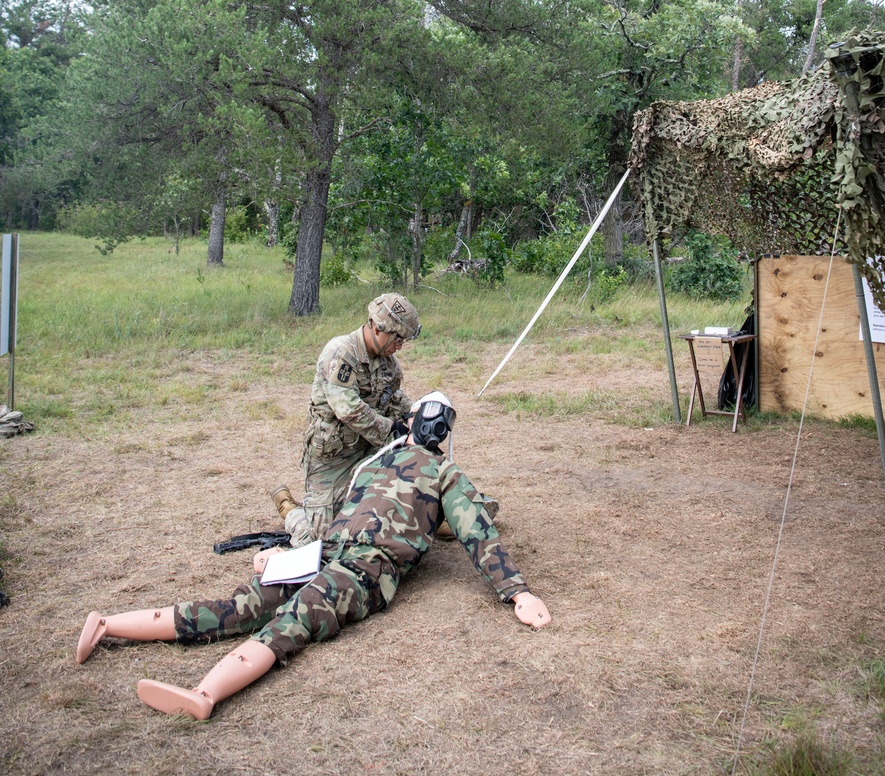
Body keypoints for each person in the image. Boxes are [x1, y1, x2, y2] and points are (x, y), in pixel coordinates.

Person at [75, 392, 551, 720]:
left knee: (295, 618)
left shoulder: (437, 474)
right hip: (330, 553)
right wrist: (290, 553)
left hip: (366, 567)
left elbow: (478, 534)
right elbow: (343, 518)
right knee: (242, 607)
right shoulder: (382, 464)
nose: (429, 425)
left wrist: (517, 593)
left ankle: (202, 694)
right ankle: (108, 625)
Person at [276, 293, 420, 545]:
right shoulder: (340, 353)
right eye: (397, 338)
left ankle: (434, 511)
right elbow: (349, 409)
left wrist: (419, 413)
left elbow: (395, 397)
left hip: (370, 451)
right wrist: (393, 431)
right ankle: (291, 511)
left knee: (391, 505)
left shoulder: (389, 364)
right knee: (322, 542)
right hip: (333, 462)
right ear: (377, 328)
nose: (400, 345)